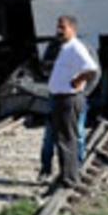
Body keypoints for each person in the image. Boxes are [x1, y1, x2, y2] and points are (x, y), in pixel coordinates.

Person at [47, 16, 98, 189]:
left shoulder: (76, 47)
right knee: (63, 138)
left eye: (63, 27)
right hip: (61, 98)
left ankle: (69, 179)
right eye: (58, 27)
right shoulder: (65, 47)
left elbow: (92, 69)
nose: (59, 31)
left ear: (73, 29)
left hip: (68, 99)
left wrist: (78, 82)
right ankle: (67, 175)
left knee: (66, 139)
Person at [38, 40, 90, 183]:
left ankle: (78, 168)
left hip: (74, 98)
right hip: (56, 98)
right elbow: (44, 69)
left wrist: (84, 91)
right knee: (50, 136)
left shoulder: (81, 50)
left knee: (78, 134)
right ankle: (46, 170)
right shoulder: (53, 49)